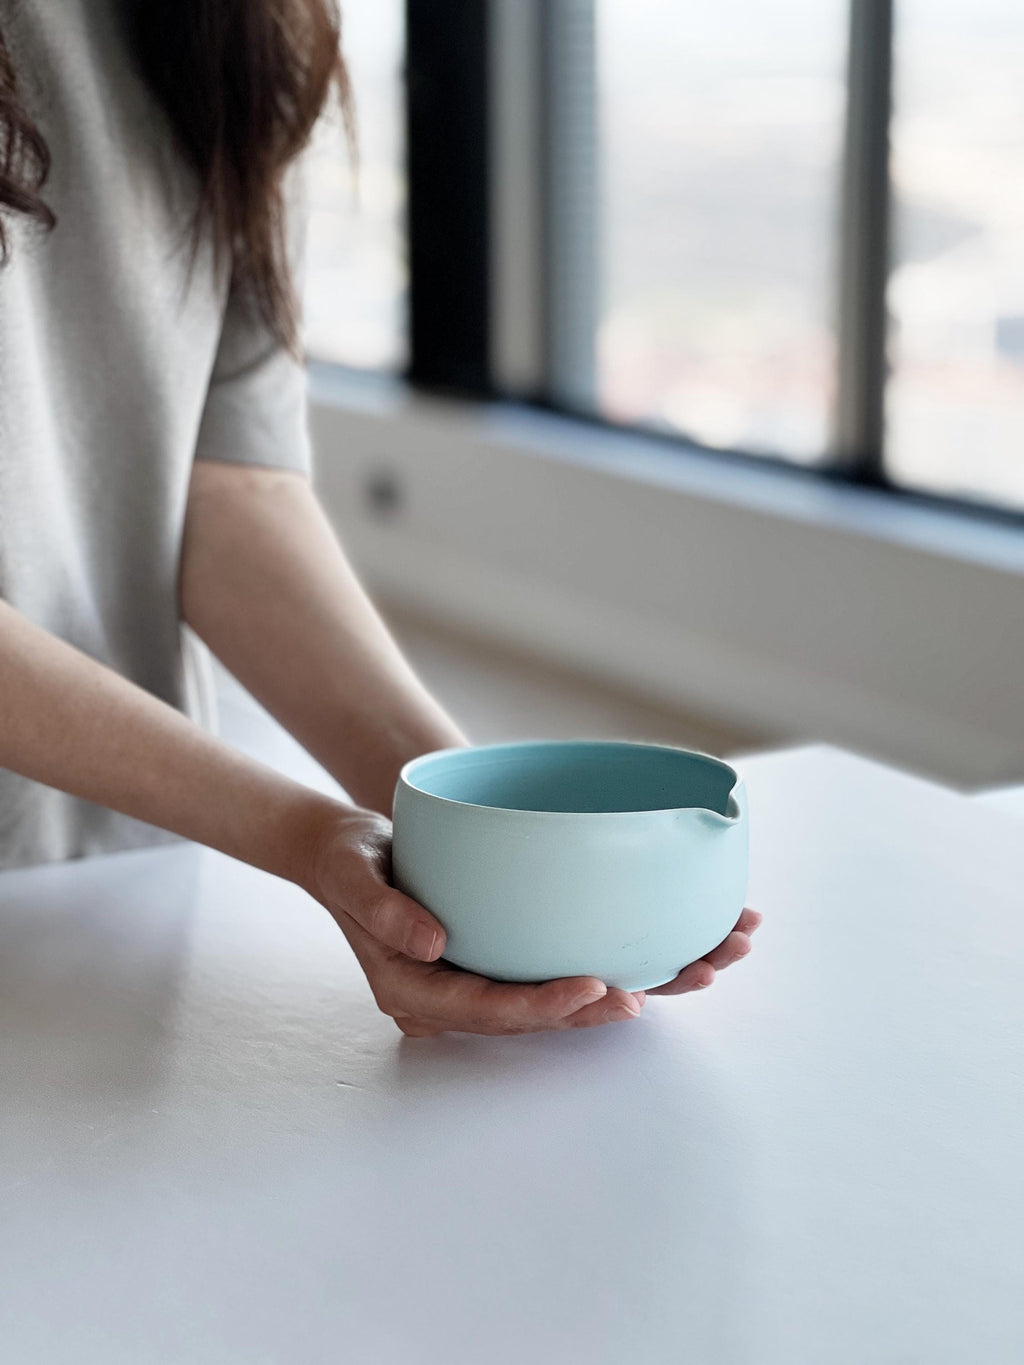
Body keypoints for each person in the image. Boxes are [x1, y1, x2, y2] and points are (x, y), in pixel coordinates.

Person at [0, 0, 759, 1037]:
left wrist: (468, 833)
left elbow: (230, 490)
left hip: (115, 876)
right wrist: (304, 835)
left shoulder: (242, 29)